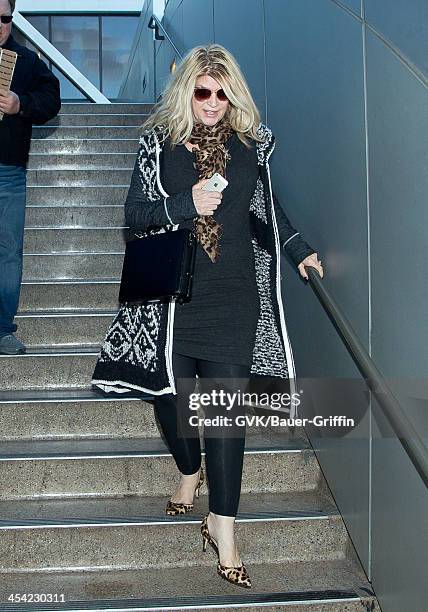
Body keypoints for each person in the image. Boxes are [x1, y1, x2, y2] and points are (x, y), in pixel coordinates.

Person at [92, 44, 323, 588]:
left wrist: (298, 249)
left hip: (235, 300)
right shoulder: (158, 145)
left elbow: (268, 210)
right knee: (171, 403)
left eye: (222, 93)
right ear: (185, 91)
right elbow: (134, 216)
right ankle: (188, 470)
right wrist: (184, 204)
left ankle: (223, 527)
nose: (213, 103)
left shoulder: (250, 149)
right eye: (203, 91)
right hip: (173, 302)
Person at [0, 0, 61, 355]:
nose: (0, 24)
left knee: (8, 252)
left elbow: (52, 99)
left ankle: (3, 328)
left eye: (5, 18)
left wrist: (20, 104)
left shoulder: (27, 60)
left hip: (8, 172)